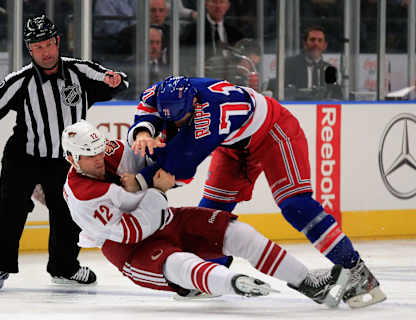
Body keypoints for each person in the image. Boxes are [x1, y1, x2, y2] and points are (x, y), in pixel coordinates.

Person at [126, 76, 386, 308]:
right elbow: (147, 107)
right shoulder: (164, 91)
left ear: (194, 105)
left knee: (296, 205)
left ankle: (357, 271)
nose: (175, 123)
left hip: (275, 132)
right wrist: (142, 132)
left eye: (181, 117)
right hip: (234, 145)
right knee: (210, 214)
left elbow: (176, 173)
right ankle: (214, 274)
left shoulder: (209, 117)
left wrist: (137, 181)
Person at [60, 119, 350, 307]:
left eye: (99, 150)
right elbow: (132, 232)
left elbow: (145, 159)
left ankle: (307, 282)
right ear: (72, 159)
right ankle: (231, 284)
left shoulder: (106, 151)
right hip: (128, 248)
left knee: (237, 232)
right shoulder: (84, 196)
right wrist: (156, 191)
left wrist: (164, 149)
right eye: (90, 155)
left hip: (162, 217)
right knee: (180, 265)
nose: (99, 158)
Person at [0, 14, 128, 290]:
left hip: (65, 160)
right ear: (30, 50)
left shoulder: (79, 71)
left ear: (58, 41)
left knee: (67, 213)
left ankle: (65, 267)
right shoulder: (20, 81)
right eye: (38, 47)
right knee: (10, 210)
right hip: (23, 156)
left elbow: (115, 80)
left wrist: (116, 81)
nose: (46, 52)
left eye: (49, 44)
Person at [268, 26, 342, 100]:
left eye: (320, 40)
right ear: (305, 44)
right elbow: (280, 90)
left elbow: (336, 94)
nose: (316, 43)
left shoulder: (329, 69)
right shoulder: (290, 64)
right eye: (312, 40)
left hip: (321, 109)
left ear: (325, 46)